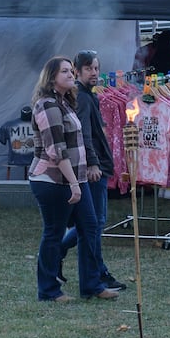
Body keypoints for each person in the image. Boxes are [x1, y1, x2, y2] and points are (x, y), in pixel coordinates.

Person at [27, 55, 117, 303]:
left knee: (90, 227)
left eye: (70, 71)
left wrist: (81, 177)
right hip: (52, 181)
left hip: (75, 178)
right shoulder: (47, 105)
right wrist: (75, 184)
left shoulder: (66, 102)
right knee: (54, 233)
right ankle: (48, 290)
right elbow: (57, 150)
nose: (70, 74)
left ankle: (92, 284)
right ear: (52, 77)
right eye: (64, 71)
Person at [58, 49, 127, 292]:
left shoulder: (89, 96)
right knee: (94, 224)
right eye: (89, 69)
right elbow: (83, 134)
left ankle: (94, 269)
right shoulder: (84, 98)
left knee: (94, 223)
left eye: (96, 68)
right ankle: (93, 271)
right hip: (93, 169)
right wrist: (93, 164)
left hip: (98, 166)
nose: (94, 73)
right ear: (78, 71)